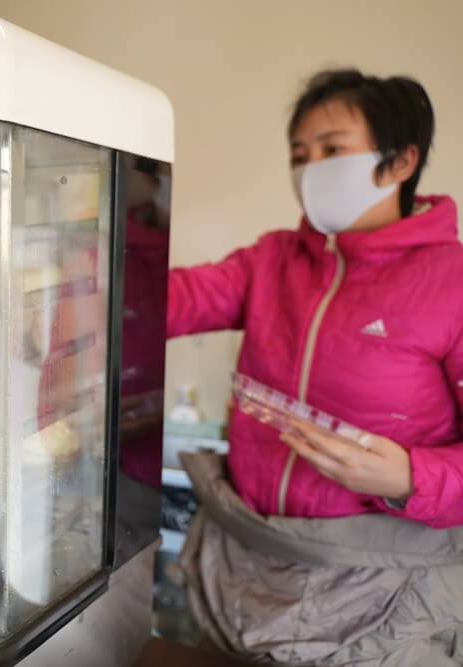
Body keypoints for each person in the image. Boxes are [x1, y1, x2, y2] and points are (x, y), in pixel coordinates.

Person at [170, 69, 463, 666]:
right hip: (246, 559)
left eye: (333, 150)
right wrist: (83, 292)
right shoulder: (273, 258)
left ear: (400, 162)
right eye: (300, 155)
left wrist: (411, 478)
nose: (311, 171)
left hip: (373, 587)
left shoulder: (452, 283)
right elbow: (180, 298)